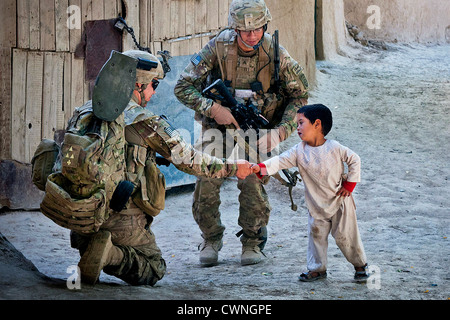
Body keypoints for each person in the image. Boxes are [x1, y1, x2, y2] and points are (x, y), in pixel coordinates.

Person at [66, 50, 253, 286]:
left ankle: (92, 245)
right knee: (154, 267)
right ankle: (111, 253)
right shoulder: (144, 121)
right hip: (117, 219)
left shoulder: (84, 111)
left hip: (81, 216)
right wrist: (234, 168)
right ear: (137, 85)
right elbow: (189, 160)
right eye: (153, 84)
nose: (154, 92)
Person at [174, 0, 309, 266]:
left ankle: (253, 240)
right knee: (205, 176)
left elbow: (301, 98)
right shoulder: (217, 48)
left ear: (265, 25)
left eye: (258, 29)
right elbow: (182, 87)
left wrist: (280, 133)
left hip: (258, 131)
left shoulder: (276, 54)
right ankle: (211, 238)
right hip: (218, 128)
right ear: (234, 29)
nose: (252, 35)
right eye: (245, 30)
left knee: (253, 179)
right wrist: (212, 108)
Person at [251, 104, 369, 282]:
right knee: (316, 236)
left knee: (346, 237)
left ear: (317, 124)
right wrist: (260, 167)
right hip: (316, 204)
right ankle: (317, 269)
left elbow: (355, 160)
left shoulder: (334, 148)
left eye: (300, 123)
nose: (297, 128)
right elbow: (280, 161)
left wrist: (349, 185)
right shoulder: (299, 151)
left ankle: (360, 265)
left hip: (340, 202)